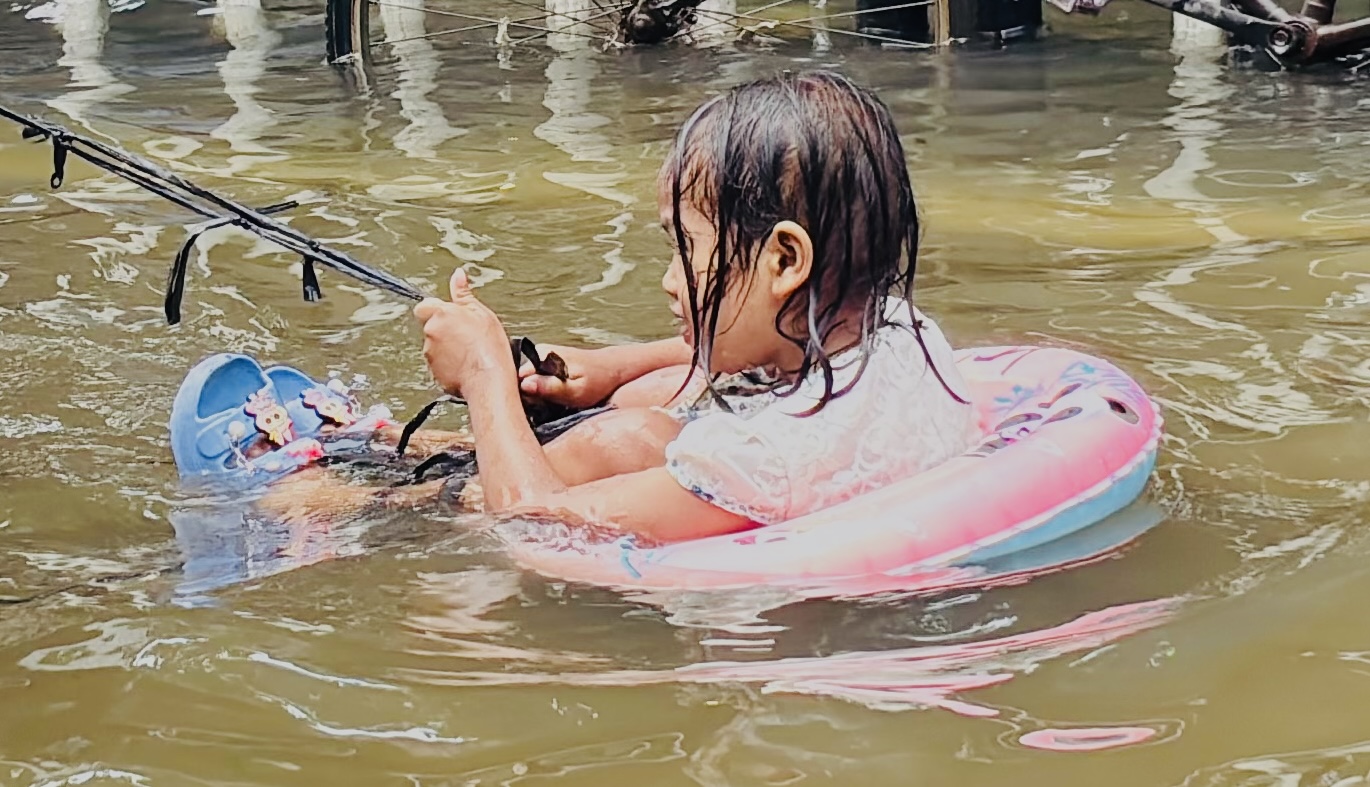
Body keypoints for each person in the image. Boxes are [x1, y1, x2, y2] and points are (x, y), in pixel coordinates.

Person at [260, 69, 980, 544]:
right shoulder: (898, 329)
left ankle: (367, 501)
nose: (671, 281)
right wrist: (608, 369)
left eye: (685, 250)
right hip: (796, 454)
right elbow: (725, 355)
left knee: (603, 449)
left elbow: (536, 523)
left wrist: (485, 376)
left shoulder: (766, 458)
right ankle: (404, 447)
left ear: (785, 259)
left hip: (699, 580)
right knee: (642, 407)